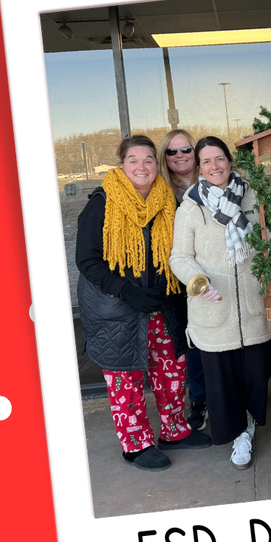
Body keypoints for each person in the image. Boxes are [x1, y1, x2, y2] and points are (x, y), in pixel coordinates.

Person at [76, 135, 210, 472]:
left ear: (157, 164)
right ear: (122, 164)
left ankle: (175, 430)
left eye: (148, 159)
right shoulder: (102, 202)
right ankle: (135, 444)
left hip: (162, 303)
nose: (142, 166)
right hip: (118, 307)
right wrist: (125, 289)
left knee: (171, 370)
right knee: (126, 377)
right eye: (133, 159)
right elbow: (87, 260)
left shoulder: (167, 200)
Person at [169, 136, 271, 470]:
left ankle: (251, 420)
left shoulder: (253, 197)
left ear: (229, 160)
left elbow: (270, 241)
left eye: (219, 159)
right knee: (223, 381)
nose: (214, 166)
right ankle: (239, 435)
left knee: (257, 375)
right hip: (214, 308)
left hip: (253, 305)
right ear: (199, 168)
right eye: (206, 162)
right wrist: (198, 282)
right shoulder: (190, 208)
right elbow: (180, 257)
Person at [158, 129, 208, 433]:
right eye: (172, 152)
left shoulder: (216, 182)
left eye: (185, 150)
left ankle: (225, 399)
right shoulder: (160, 191)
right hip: (178, 281)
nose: (179, 156)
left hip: (216, 277)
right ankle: (199, 401)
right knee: (193, 346)